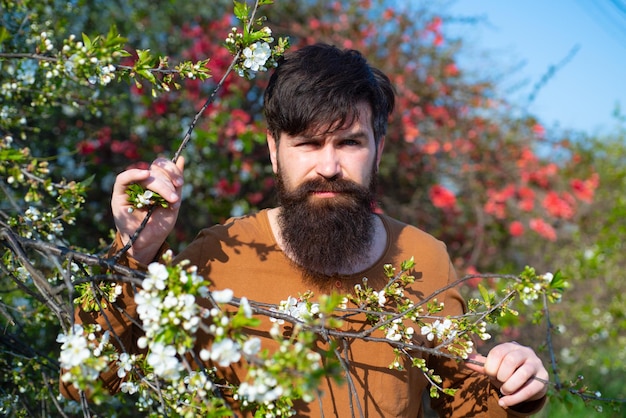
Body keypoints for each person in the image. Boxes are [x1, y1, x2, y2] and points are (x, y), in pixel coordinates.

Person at [61, 43, 548, 417]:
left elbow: (464, 403)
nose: (329, 165)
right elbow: (86, 383)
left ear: (378, 148)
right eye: (308, 143)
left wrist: (512, 383)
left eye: (350, 142)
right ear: (274, 150)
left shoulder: (424, 258)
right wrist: (135, 251)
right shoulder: (217, 256)